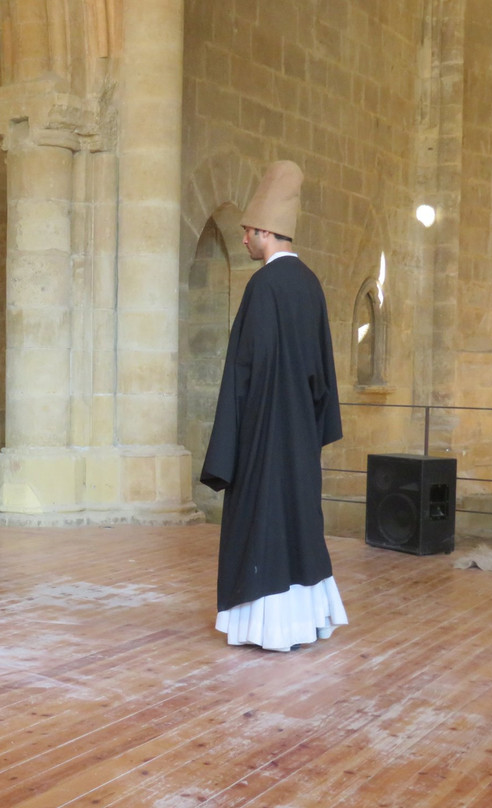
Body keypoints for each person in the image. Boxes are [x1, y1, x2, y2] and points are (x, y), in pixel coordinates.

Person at [200, 160, 348, 651]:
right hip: (299, 433)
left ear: (265, 231)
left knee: (262, 523)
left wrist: (229, 448)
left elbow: (243, 375)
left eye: (247, 231)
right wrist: (309, 429)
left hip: (264, 436)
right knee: (300, 523)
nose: (243, 239)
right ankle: (305, 621)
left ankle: (266, 628)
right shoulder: (310, 284)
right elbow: (323, 374)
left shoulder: (262, 287)